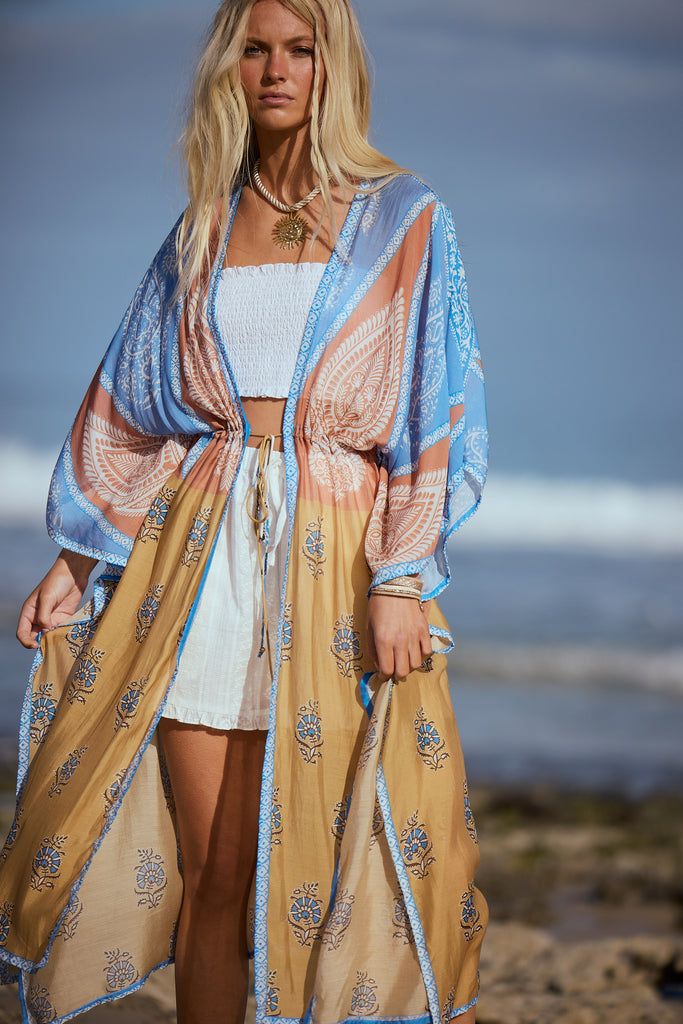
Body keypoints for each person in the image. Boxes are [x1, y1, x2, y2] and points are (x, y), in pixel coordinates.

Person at [0, 1, 488, 1022]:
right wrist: (77, 559)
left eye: (299, 49)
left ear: (332, 63)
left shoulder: (403, 218)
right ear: (229, 69)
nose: (276, 70)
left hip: (333, 553)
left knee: (302, 868)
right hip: (199, 551)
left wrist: (401, 577)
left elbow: (433, 411)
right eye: (255, 49)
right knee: (213, 872)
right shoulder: (203, 223)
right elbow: (132, 403)